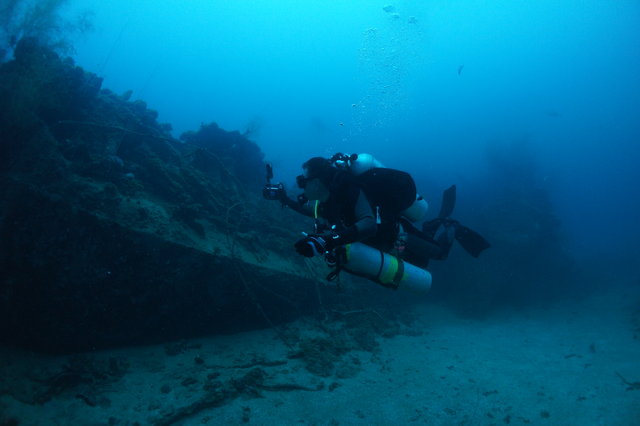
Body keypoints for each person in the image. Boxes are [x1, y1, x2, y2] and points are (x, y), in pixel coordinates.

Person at [264, 154, 489, 290]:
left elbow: (368, 224)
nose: (301, 185)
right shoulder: (328, 200)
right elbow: (310, 210)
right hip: (386, 247)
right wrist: (285, 199)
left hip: (401, 236)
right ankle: (431, 228)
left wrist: (327, 241)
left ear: (318, 181)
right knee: (422, 266)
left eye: (303, 181)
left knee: (440, 254)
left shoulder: (350, 191)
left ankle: (450, 226)